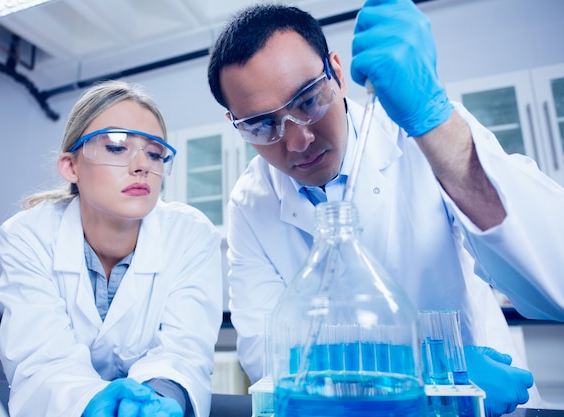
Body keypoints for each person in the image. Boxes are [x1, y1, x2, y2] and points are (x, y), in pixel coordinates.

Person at [207, 0, 564, 415]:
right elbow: (267, 354)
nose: (297, 140)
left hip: (477, 405)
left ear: (337, 74)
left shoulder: (423, 133)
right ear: (237, 124)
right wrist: (429, 371)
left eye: (307, 101)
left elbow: (554, 283)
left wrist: (434, 123)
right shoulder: (251, 201)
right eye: (263, 125)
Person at [0, 80, 222, 417]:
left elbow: (184, 351)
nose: (142, 164)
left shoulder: (191, 234)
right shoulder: (28, 235)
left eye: (155, 152)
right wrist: (87, 404)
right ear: (71, 167)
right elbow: (40, 357)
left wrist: (160, 397)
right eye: (116, 147)